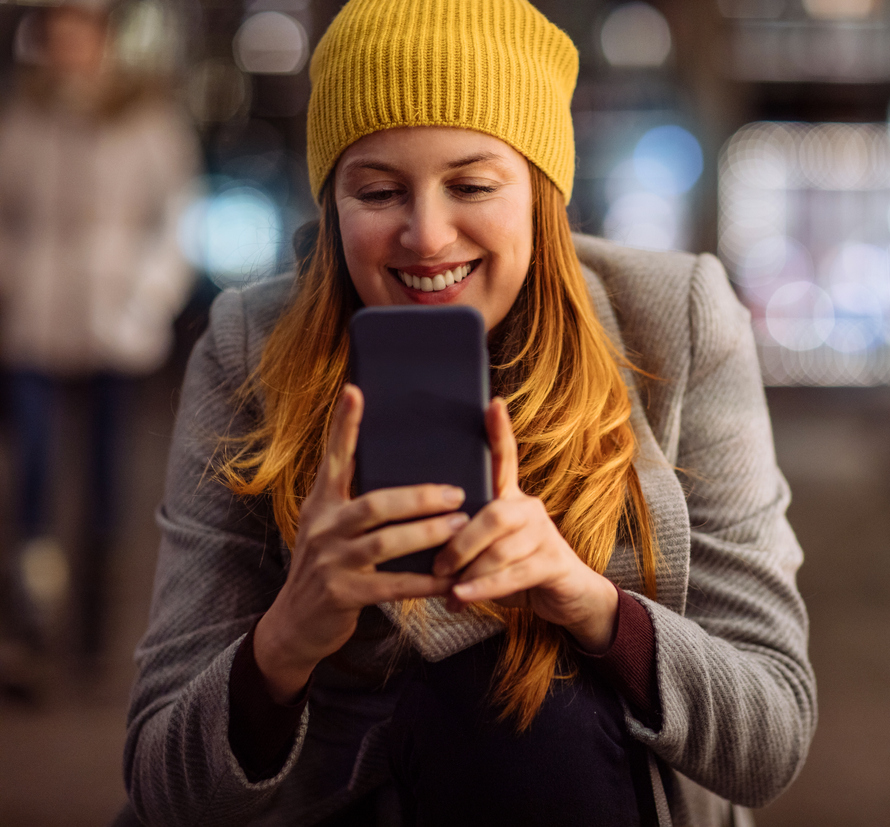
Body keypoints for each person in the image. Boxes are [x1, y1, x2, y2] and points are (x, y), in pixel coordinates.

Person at [123, 0, 815, 824]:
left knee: (529, 708)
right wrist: (286, 637)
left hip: (585, 790)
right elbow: (161, 783)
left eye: (472, 185)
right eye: (377, 191)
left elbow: (770, 735)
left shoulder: (680, 320)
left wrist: (588, 603)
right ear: (331, 202)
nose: (426, 234)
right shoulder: (249, 348)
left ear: (539, 193)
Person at [0, 1, 197, 661]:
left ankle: (94, 621)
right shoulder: (25, 115)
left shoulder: (147, 116)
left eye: (78, 34)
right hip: (37, 316)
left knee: (107, 474)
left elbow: (173, 215)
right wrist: (15, 277)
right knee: (34, 465)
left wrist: (150, 294)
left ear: (102, 39)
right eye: (57, 36)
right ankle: (33, 614)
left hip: (118, 320)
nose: (67, 48)